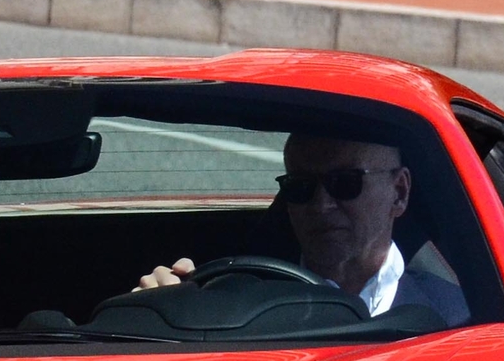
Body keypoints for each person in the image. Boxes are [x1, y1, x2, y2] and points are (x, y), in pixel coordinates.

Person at [135, 136, 469, 326]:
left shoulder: (460, 318)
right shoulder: (229, 300)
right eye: (300, 186)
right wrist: (157, 315)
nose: (321, 205)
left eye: (344, 183)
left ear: (399, 192)